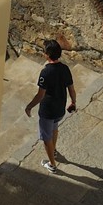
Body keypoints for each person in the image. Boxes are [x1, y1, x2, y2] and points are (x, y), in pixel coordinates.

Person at [25, 38, 76, 171]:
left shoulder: (46, 72)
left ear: (47, 55)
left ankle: (52, 164)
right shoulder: (65, 68)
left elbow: (40, 95)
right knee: (54, 129)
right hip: (60, 109)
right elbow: (71, 89)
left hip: (48, 111)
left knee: (46, 137)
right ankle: (53, 151)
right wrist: (73, 102)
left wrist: (29, 106)